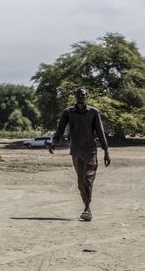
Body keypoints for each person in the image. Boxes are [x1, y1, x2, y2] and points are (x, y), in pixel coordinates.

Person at [50, 88, 111, 222]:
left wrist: (106, 151)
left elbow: (100, 132)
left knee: (88, 178)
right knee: (80, 182)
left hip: (90, 150)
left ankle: (87, 209)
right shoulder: (68, 112)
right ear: (75, 97)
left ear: (86, 97)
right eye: (78, 95)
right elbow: (60, 129)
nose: (81, 96)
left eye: (83, 95)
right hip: (76, 151)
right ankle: (86, 205)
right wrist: (54, 141)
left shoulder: (93, 112)